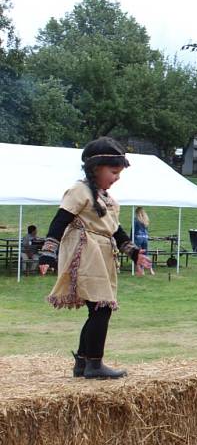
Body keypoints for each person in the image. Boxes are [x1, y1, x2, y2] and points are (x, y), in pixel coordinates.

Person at [38, 137, 152, 379]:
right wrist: (48, 252)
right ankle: (94, 364)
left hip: (101, 253)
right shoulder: (79, 191)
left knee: (98, 309)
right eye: (113, 172)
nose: (117, 178)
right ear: (95, 168)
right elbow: (59, 222)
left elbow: (115, 230)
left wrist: (134, 253)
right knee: (101, 308)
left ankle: (83, 363)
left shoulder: (107, 198)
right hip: (85, 252)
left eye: (119, 173)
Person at [133, 207, 155, 276]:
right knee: (145, 254)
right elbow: (147, 231)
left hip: (138, 239)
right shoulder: (145, 220)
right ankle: (151, 269)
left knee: (139, 255)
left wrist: (131, 239)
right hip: (145, 238)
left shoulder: (135, 220)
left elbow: (133, 231)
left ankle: (141, 270)